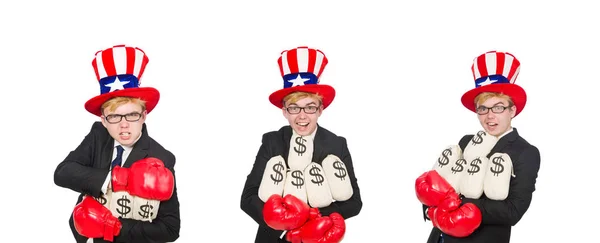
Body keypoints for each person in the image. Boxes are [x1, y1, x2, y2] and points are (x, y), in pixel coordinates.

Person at [54, 44, 181, 243]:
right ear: (103, 120)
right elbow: (62, 173)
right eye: (114, 116)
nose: (123, 125)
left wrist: (115, 226)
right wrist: (116, 179)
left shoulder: (162, 157)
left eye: (131, 114)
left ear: (143, 116)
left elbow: (170, 229)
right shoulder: (98, 137)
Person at [415, 50, 541, 243]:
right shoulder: (466, 141)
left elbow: (513, 211)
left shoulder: (525, 152)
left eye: (498, 107)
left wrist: (459, 204)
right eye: (483, 109)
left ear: (512, 110)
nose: (490, 116)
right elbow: (445, 182)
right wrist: (430, 205)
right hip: (439, 238)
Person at [240, 46, 363, 243]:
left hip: (318, 237)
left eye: (310, 107)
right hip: (273, 238)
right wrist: (284, 224)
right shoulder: (272, 141)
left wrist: (310, 220)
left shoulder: (336, 144)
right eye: (294, 108)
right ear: (285, 111)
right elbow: (248, 198)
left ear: (320, 110)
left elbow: (354, 202)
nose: (302, 116)